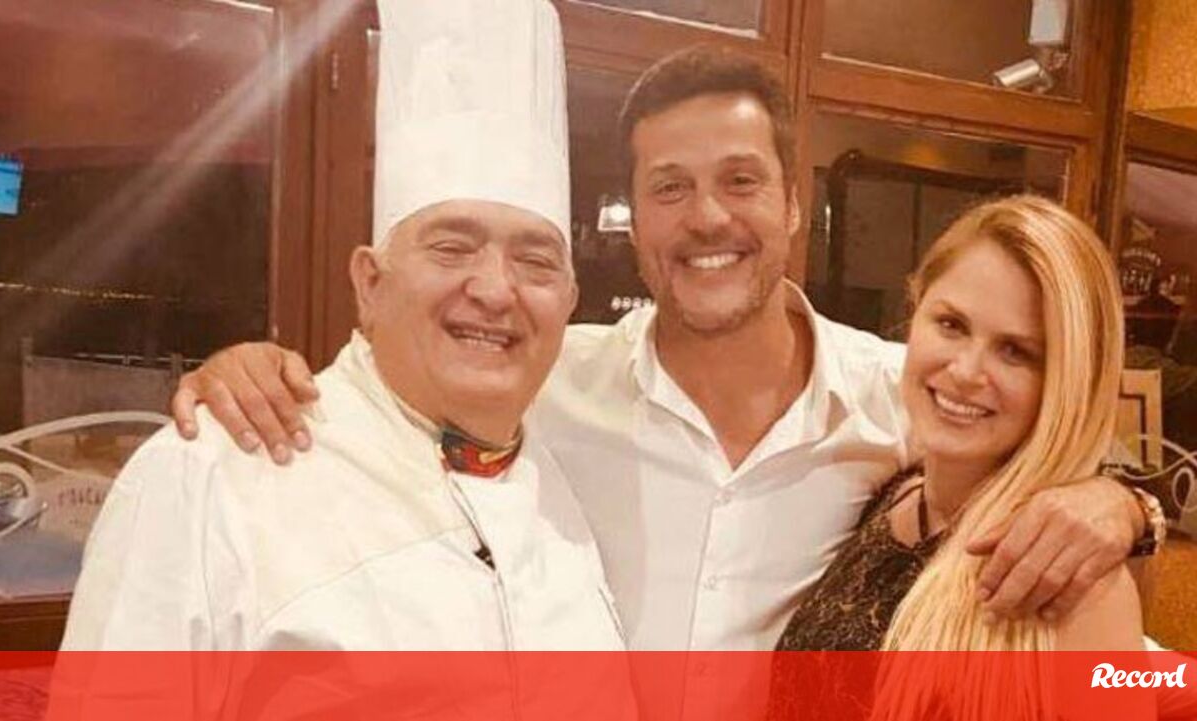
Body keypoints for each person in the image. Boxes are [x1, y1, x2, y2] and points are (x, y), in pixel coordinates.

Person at [171, 46, 1155, 719]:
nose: (706, 218)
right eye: (670, 187)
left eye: (740, 180)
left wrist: (1126, 506)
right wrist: (250, 372)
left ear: (793, 201)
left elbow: (1135, 663)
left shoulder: (893, 398)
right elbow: (391, 392)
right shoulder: (545, 383)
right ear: (635, 220)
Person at [59, 3, 635, 715]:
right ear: (369, 281)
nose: (494, 289)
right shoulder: (213, 476)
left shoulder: (573, 472)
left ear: (569, 301)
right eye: (451, 247)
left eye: (536, 260)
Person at [769, 195, 1147, 719]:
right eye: (951, 325)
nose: (967, 372)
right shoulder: (889, 490)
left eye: (1016, 351)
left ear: (1068, 381)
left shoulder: (1071, 581)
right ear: (915, 309)